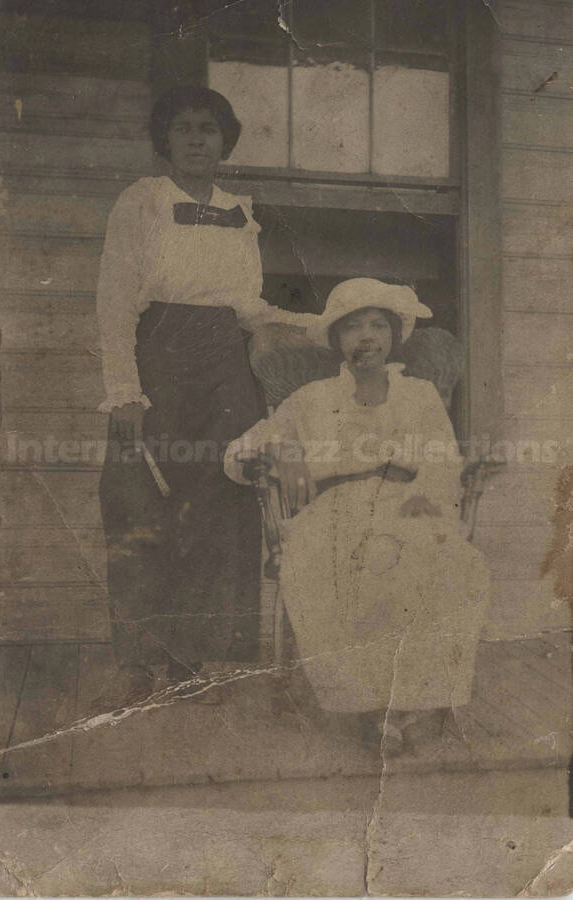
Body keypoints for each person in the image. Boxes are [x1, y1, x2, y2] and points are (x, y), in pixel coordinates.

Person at [97, 85, 316, 707]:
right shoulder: (143, 201)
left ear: (225, 142)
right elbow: (115, 298)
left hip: (224, 369)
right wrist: (124, 392)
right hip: (157, 361)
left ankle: (193, 660)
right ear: (165, 139)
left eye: (209, 129)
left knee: (218, 510)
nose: (197, 139)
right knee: (142, 503)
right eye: (185, 127)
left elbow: (247, 305)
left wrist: (316, 324)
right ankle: (142, 663)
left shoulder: (237, 211)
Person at [224, 279, 490, 753]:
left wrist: (422, 502)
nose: (366, 336)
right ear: (336, 340)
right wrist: (283, 450)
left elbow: (443, 460)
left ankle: (403, 703)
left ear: (393, 336)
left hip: (410, 504)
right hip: (334, 512)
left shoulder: (421, 394)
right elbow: (238, 453)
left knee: (452, 566)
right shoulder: (310, 399)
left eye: (378, 325)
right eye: (353, 327)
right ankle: (375, 707)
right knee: (340, 567)